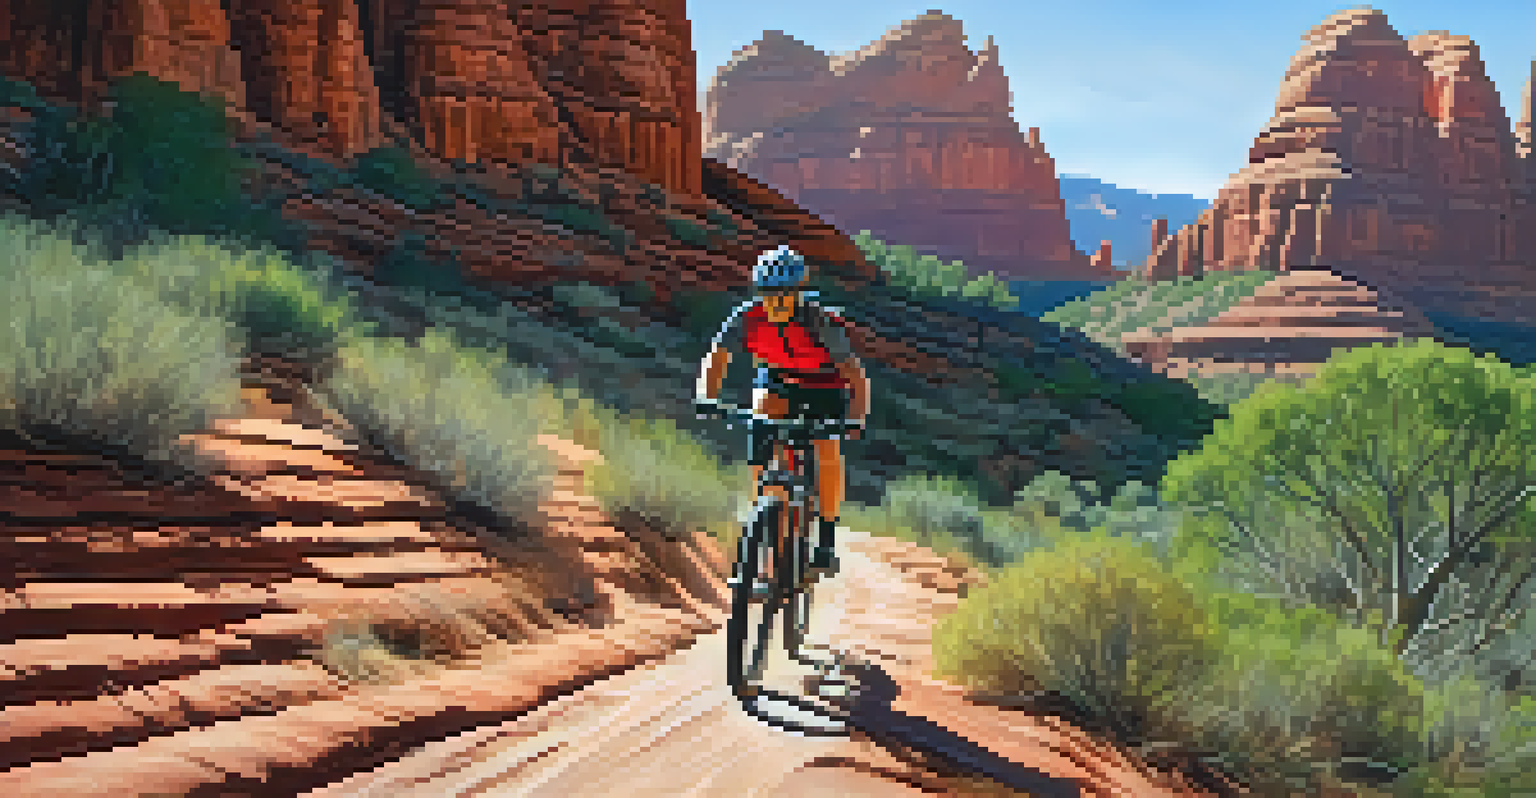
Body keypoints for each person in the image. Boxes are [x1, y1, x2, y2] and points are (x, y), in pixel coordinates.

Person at [695, 245, 871, 582]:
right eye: (768, 294)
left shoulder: (819, 321)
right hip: (778, 378)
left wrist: (855, 419)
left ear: (798, 293)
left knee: (827, 450)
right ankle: (765, 519)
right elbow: (716, 358)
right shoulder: (746, 317)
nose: (775, 302)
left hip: (825, 385)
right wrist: (706, 396)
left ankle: (827, 540)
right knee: (760, 425)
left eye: (784, 294)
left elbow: (854, 375)